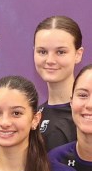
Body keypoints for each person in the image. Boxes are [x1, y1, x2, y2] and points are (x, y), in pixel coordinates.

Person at [32, 16, 84, 151]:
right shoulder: (34, 114)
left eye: (60, 52)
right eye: (42, 52)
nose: (50, 60)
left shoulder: (88, 114)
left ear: (78, 54)